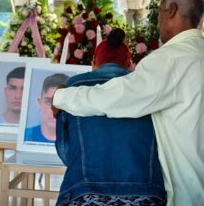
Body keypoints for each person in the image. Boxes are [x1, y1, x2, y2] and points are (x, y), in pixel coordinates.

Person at [52, 0, 204, 206]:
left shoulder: (169, 60)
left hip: (182, 194)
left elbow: (116, 98)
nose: (157, 21)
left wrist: (61, 97)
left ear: (172, 10)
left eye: (159, 12)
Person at [54, 28, 166, 206]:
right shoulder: (146, 88)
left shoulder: (71, 87)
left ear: (93, 62)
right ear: (130, 63)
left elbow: (64, 149)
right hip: (145, 194)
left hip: (83, 193)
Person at [24, 73, 68, 143]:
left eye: (60, 103)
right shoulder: (25, 136)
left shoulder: (79, 141)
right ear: (39, 103)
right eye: (48, 102)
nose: (54, 111)